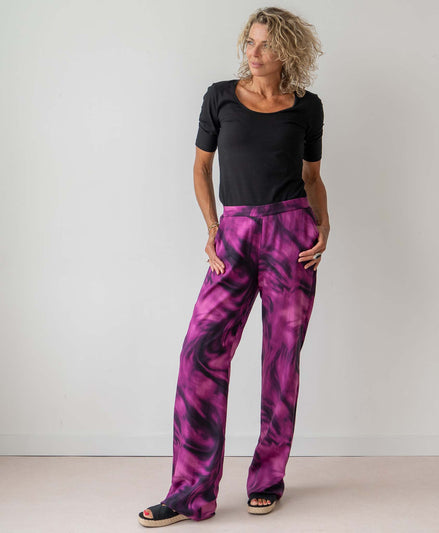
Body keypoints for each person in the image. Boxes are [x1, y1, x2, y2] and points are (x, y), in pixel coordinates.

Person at [138, 6, 330, 527]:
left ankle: (267, 479)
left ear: (287, 50)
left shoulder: (307, 106)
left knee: (281, 360)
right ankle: (190, 493)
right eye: (250, 41)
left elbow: (312, 177)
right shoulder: (220, 96)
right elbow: (201, 167)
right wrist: (212, 228)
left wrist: (324, 227)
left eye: (266, 44)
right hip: (235, 233)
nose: (254, 52)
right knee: (199, 352)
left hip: (292, 234)